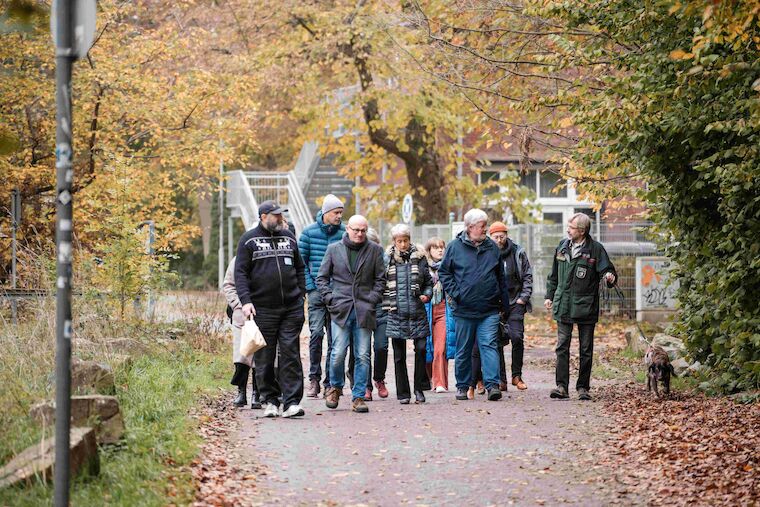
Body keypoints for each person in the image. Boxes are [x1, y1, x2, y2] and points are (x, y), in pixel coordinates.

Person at [234, 200, 307, 418]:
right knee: (265, 358)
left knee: (290, 353)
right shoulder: (248, 241)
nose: (280, 218)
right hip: (262, 309)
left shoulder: (289, 237)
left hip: (291, 307)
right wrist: (246, 301)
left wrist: (301, 292)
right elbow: (240, 274)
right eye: (275, 215)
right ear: (263, 216)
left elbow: (300, 267)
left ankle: (292, 401)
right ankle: (270, 400)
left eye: (280, 214)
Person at [439, 208, 510, 402]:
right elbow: (444, 272)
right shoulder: (454, 247)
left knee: (489, 346)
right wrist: (456, 293)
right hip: (464, 309)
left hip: (489, 309)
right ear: (470, 228)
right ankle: (462, 386)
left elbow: (500, 277)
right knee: (464, 348)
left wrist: (505, 304)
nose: (485, 230)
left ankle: (492, 386)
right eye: (482, 226)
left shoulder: (492, 247)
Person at [316, 215, 386, 413]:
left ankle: (358, 396)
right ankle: (335, 387)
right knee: (338, 353)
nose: (360, 233)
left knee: (363, 355)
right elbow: (321, 278)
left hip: (364, 309)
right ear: (348, 228)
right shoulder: (334, 249)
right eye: (356, 230)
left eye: (363, 230)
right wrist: (330, 298)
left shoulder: (375, 250)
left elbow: (381, 279)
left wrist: (372, 299)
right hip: (340, 309)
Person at [545, 212, 617, 401]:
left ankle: (583, 388)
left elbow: (607, 270)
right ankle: (561, 387)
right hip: (564, 305)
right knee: (562, 346)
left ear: (582, 231)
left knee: (585, 349)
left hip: (586, 306)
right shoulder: (562, 247)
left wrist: (609, 277)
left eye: (571, 227)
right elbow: (553, 276)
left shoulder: (596, 249)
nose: (568, 230)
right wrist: (549, 296)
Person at [471, 221, 534, 394]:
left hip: (515, 302)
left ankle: (516, 375)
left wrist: (523, 298)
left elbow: (528, 276)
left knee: (516, 336)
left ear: (506, 235)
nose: (499, 240)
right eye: (496, 237)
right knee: (496, 341)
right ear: (490, 237)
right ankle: (501, 380)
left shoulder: (517, 251)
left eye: (502, 236)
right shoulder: (486, 252)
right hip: (495, 303)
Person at [298, 194, 345, 399]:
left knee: (336, 340)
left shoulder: (345, 233)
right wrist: (310, 287)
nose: (339, 217)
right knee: (316, 334)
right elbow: (301, 263)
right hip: (317, 293)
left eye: (341, 213)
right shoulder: (308, 233)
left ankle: (329, 383)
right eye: (336, 213)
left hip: (338, 293)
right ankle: (314, 379)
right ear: (326, 213)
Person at [383, 224, 434, 404]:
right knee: (399, 356)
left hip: (417, 312)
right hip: (396, 313)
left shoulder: (420, 258)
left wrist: (427, 294)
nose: (403, 244)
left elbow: (428, 281)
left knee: (421, 350)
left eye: (405, 240)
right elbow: (381, 283)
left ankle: (419, 389)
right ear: (394, 242)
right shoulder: (387, 259)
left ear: (409, 240)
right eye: (399, 241)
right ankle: (403, 393)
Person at [346, 227, 390, 400]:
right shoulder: (356, 260)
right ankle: (366, 386)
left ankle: (379, 378)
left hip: (382, 307)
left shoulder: (385, 259)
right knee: (362, 350)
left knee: (381, 346)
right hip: (363, 307)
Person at [223, 256, 261, 409]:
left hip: (263, 313)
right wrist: (238, 305)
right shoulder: (237, 260)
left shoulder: (264, 258)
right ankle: (241, 392)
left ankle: (257, 393)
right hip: (241, 315)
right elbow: (228, 285)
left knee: (259, 355)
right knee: (242, 355)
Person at [424, 237, 457, 393]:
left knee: (440, 348)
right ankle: (428, 379)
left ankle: (440, 383)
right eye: (435, 247)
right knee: (425, 348)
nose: (440, 250)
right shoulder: (423, 267)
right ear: (429, 250)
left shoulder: (450, 266)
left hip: (444, 309)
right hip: (426, 309)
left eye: (442, 247)